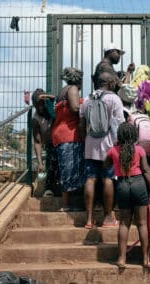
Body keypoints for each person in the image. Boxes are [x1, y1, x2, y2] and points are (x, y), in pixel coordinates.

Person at [104, 123, 150, 269]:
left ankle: (121, 259)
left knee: (124, 224)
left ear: (119, 136)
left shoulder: (113, 150)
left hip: (122, 186)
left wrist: (114, 149)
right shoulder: (139, 150)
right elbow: (146, 170)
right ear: (134, 136)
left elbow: (105, 165)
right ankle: (146, 259)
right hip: (139, 184)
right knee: (142, 224)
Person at [79, 72, 125, 228]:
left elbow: (81, 125)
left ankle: (89, 219)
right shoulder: (114, 99)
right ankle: (107, 218)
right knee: (108, 179)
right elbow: (120, 125)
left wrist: (85, 141)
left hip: (90, 145)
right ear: (109, 83)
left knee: (90, 179)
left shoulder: (86, 100)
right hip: (109, 145)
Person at [51, 67, 85, 211]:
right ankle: (65, 205)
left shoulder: (63, 91)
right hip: (69, 135)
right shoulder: (72, 90)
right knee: (70, 170)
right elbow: (75, 108)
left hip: (61, 134)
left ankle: (68, 203)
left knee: (67, 169)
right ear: (78, 79)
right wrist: (87, 106)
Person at [31, 88, 60, 197]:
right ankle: (49, 188)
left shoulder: (52, 108)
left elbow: (58, 98)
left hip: (61, 140)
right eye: (37, 105)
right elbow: (37, 141)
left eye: (42, 104)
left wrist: (47, 97)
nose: (41, 107)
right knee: (51, 160)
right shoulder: (36, 119)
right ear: (34, 105)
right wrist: (39, 162)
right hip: (50, 143)